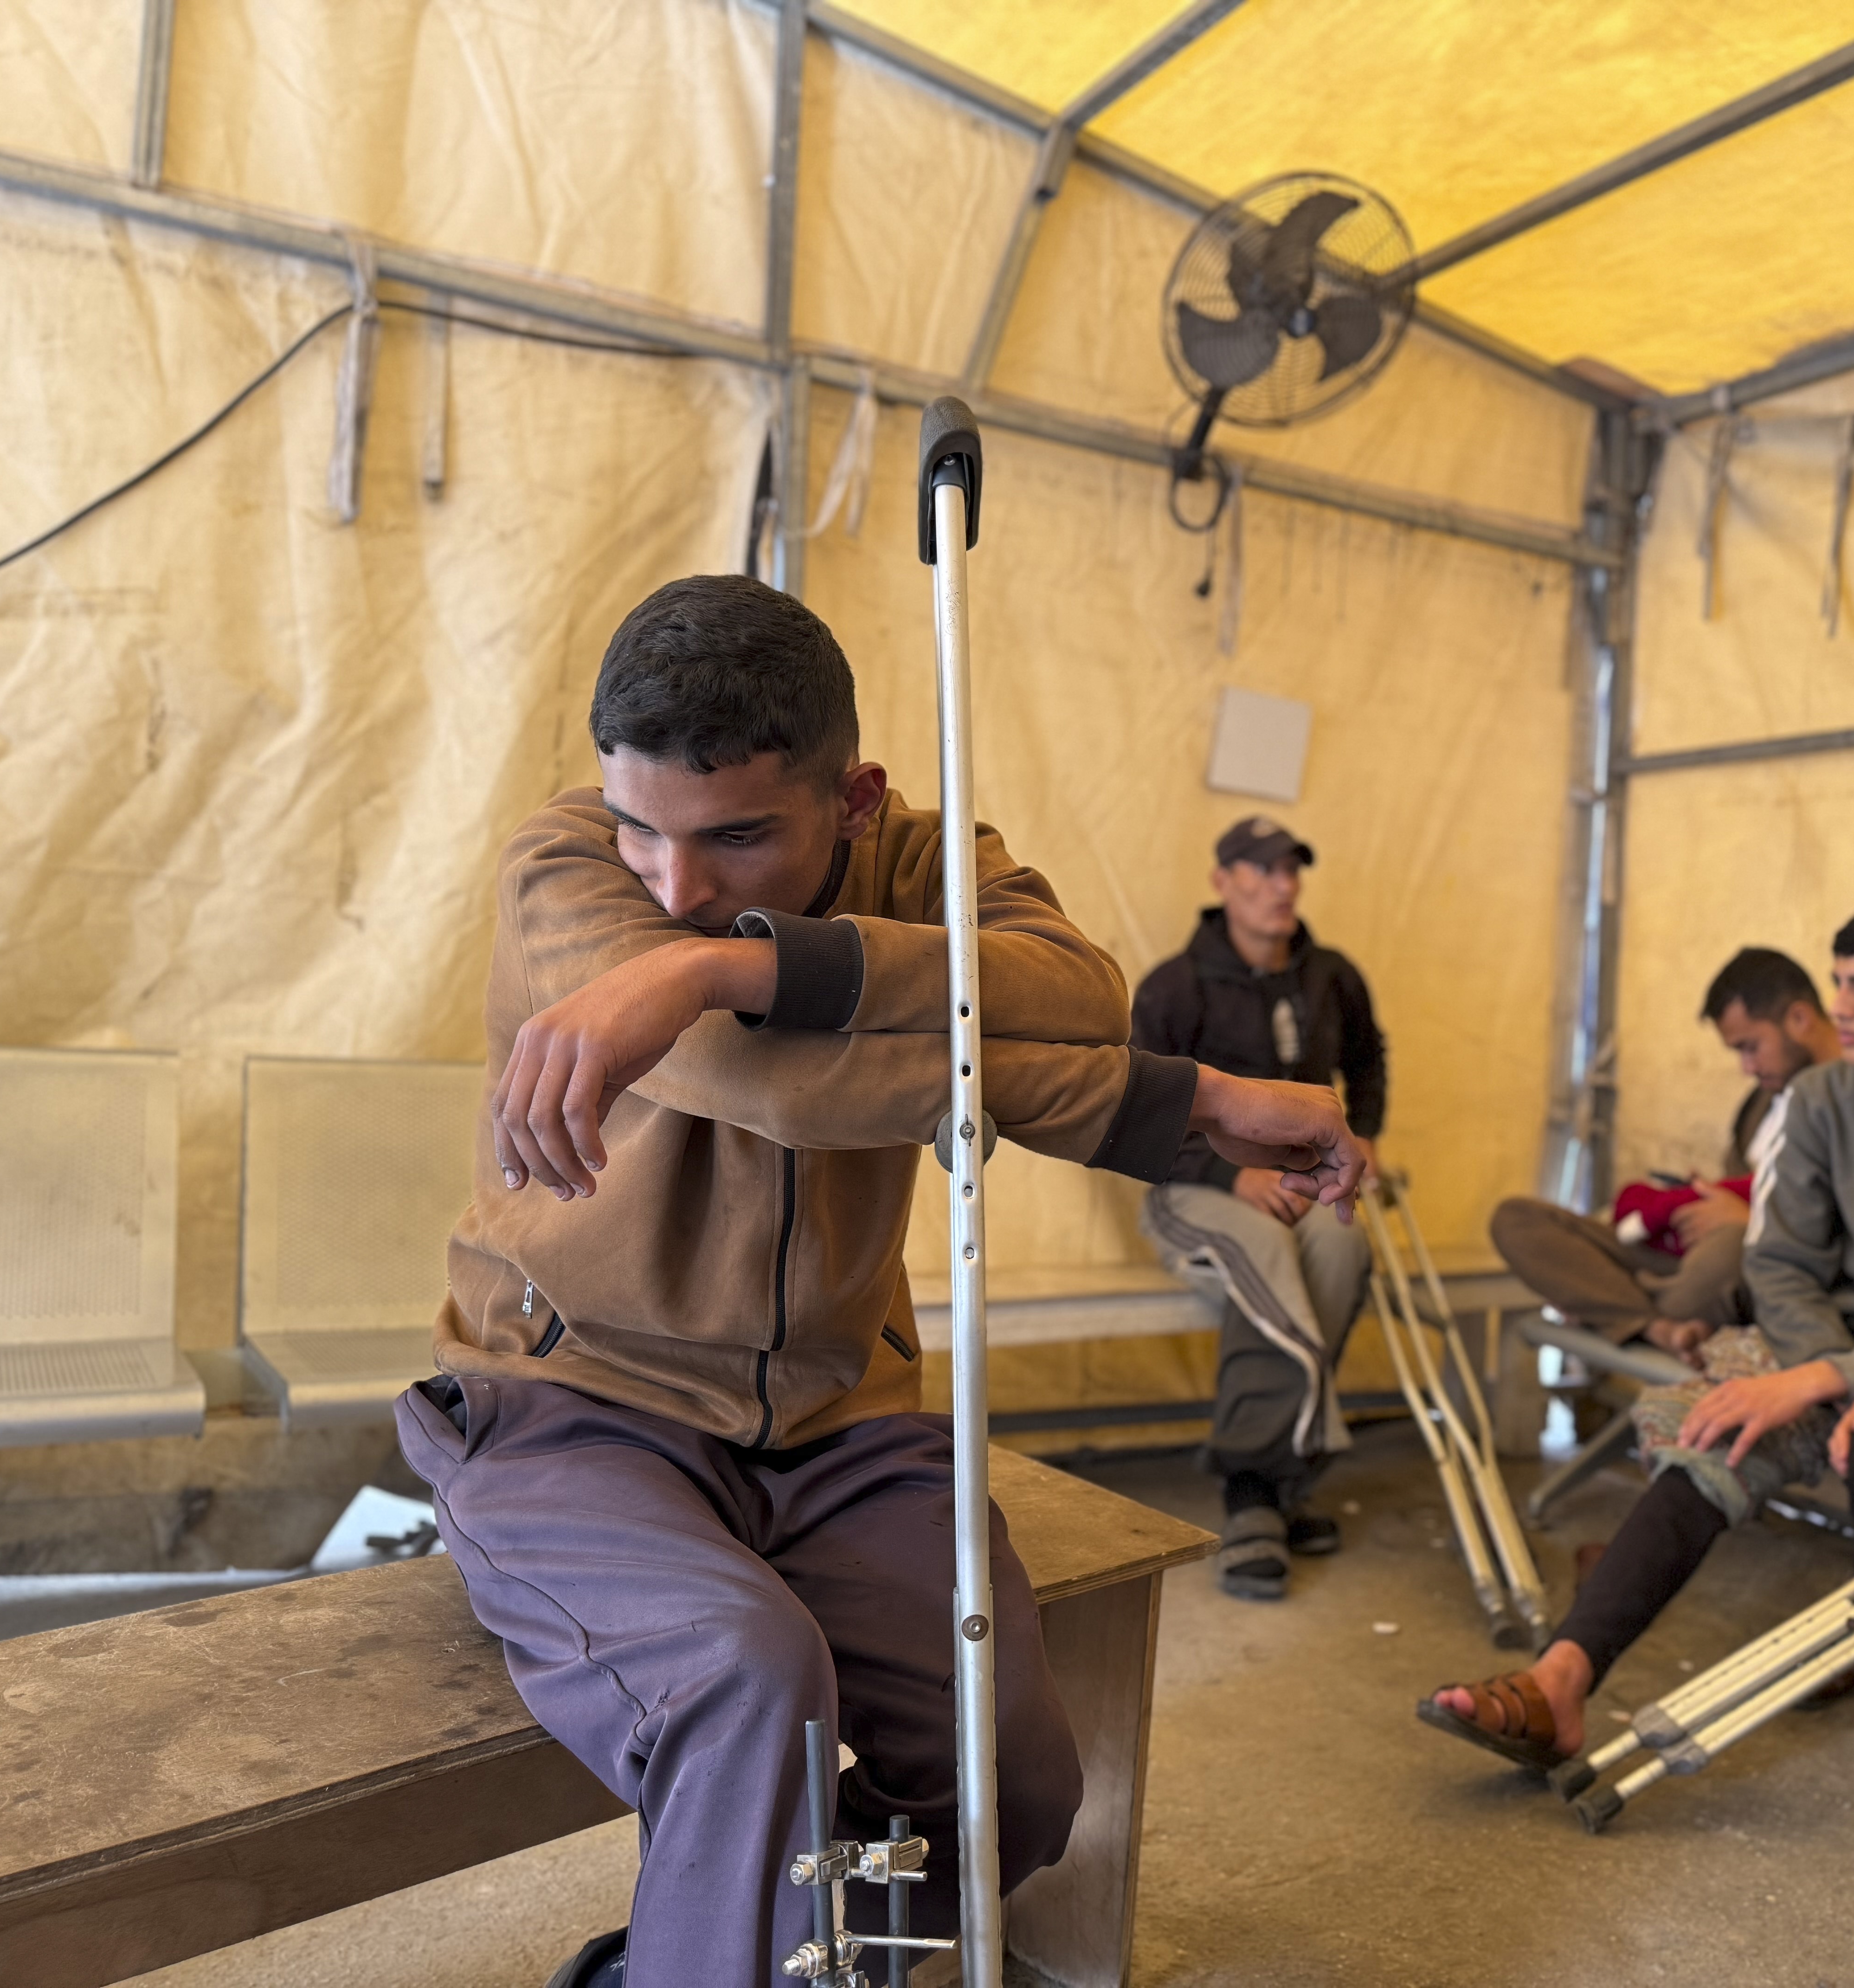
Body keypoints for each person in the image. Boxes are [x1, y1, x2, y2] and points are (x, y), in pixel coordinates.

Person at [391, 576, 1366, 1988]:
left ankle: (719, 1953)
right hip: (568, 1404)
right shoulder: (561, 861)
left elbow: (1073, 994)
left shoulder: (924, 858)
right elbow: (773, 1085)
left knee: (1010, 1777)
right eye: (642, 829)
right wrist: (1195, 1096)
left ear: (854, 798)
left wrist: (719, 971)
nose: (672, 888)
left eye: (735, 837)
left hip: (841, 1421)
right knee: (750, 1677)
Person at [1422, 901, 1854, 1771]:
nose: (1842, 1004)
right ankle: (1561, 1677)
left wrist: (1831, 1377)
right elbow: (1778, 1264)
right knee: (1713, 1425)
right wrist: (1830, 1370)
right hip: (1848, 1343)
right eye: (1840, 980)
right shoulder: (1816, 1100)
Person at [1130, 815, 1387, 1601]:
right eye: (1262, 868)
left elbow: (1369, 1057)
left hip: (1301, 1187)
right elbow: (1134, 1108)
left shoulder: (1331, 973)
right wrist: (1225, 1172)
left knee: (1344, 1251)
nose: (1282, 885)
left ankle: (1280, 1485)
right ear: (1222, 881)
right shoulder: (1174, 986)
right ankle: (1253, 1487)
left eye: (1291, 869)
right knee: (1265, 1256)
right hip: (1190, 1189)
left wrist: (1364, 1136)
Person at [1489, 947, 1839, 1357]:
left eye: (1750, 1047)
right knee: (1518, 1221)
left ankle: (1609, 1305)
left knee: (1726, 1253)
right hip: (1684, 1261)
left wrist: (1753, 1218)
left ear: (1799, 1020)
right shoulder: (1760, 1103)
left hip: (1750, 1262)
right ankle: (1653, 1323)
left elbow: (1851, 1225)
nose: (1747, 1067)